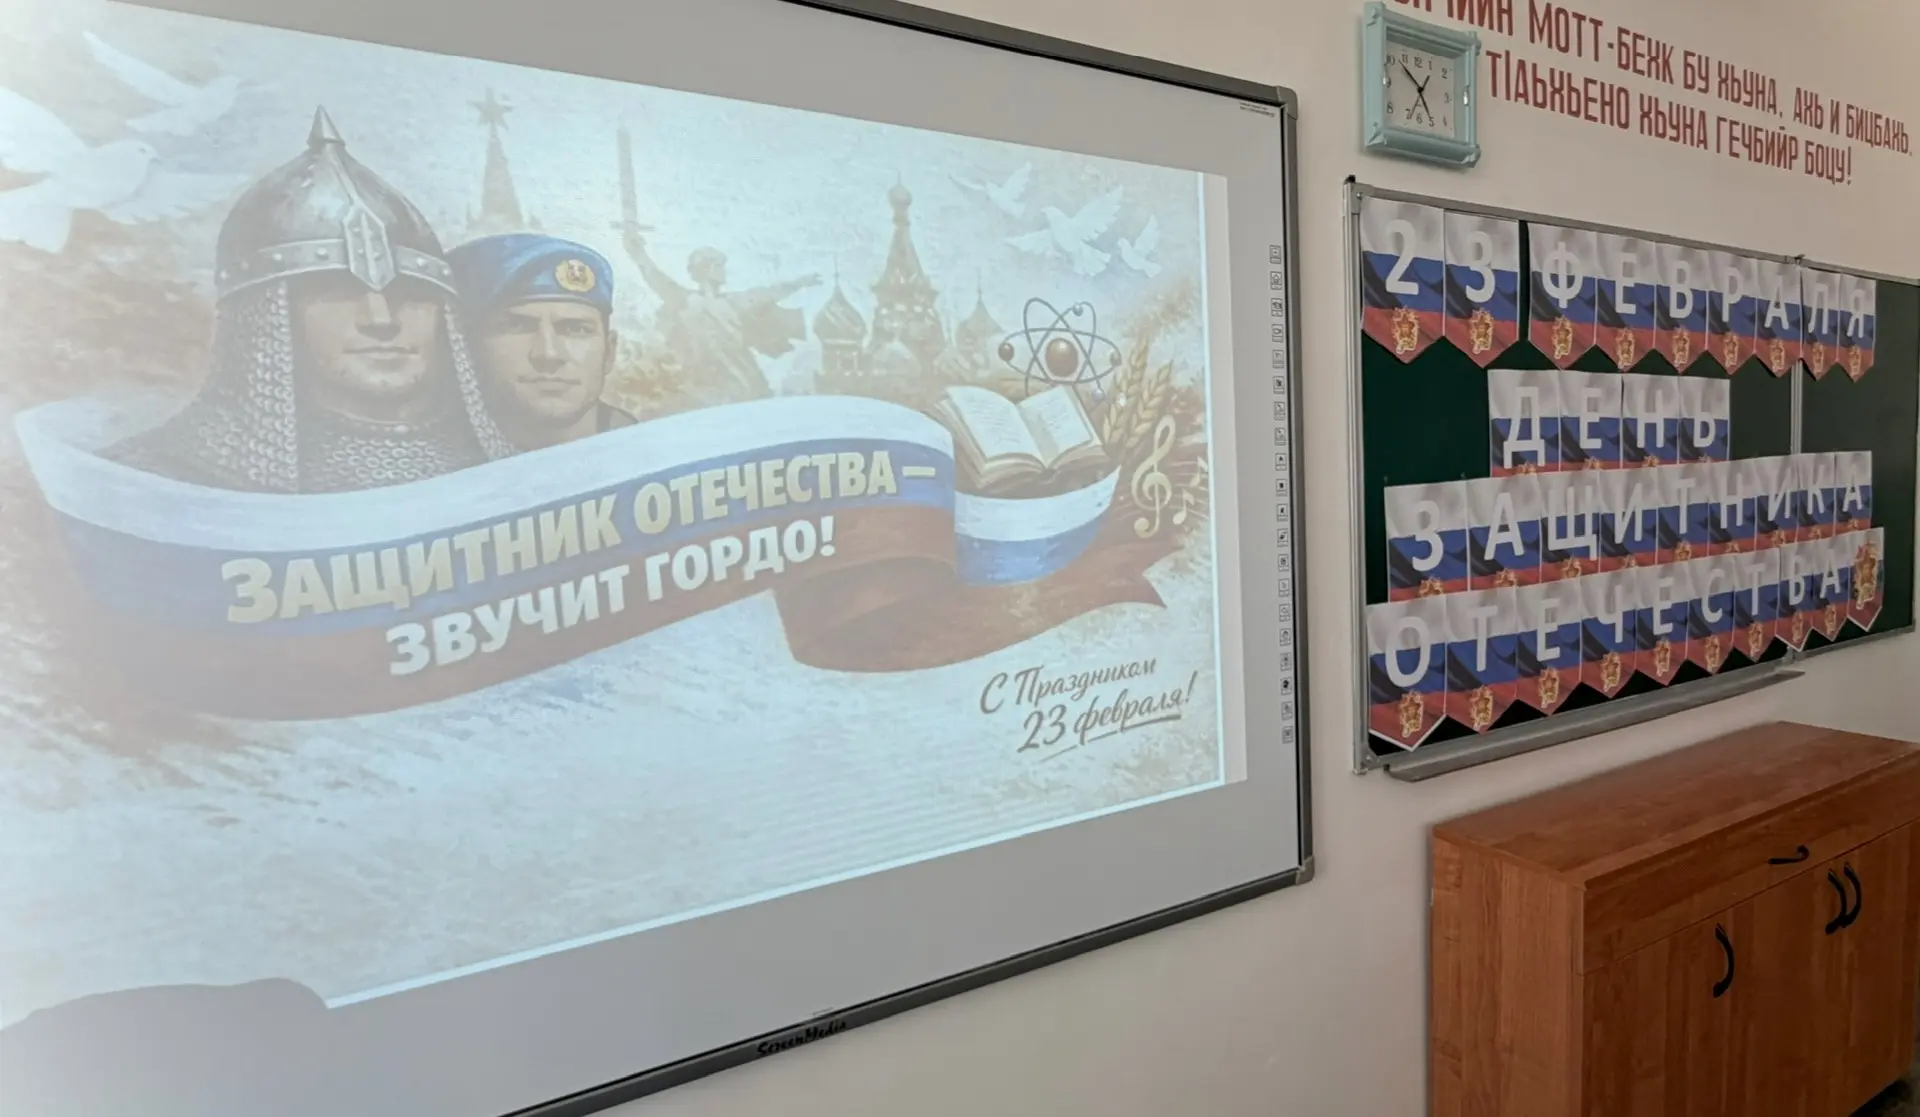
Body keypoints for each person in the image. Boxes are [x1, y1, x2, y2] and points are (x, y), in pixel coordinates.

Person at [112, 109, 515, 492]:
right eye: (337, 293)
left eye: (410, 296)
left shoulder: (512, 474)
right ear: (265, 319)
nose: (381, 319)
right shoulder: (155, 480)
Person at [448, 233, 635, 450]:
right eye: (517, 327)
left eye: (575, 329)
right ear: (467, 349)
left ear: (609, 352)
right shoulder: (439, 466)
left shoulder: (652, 451)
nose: (548, 354)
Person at [622, 227, 820, 404]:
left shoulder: (733, 302)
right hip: (704, 383)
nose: (723, 271)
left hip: (742, 378)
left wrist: (799, 283)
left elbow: (766, 293)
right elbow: (656, 278)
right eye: (718, 266)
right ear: (704, 270)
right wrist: (638, 253)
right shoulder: (685, 300)